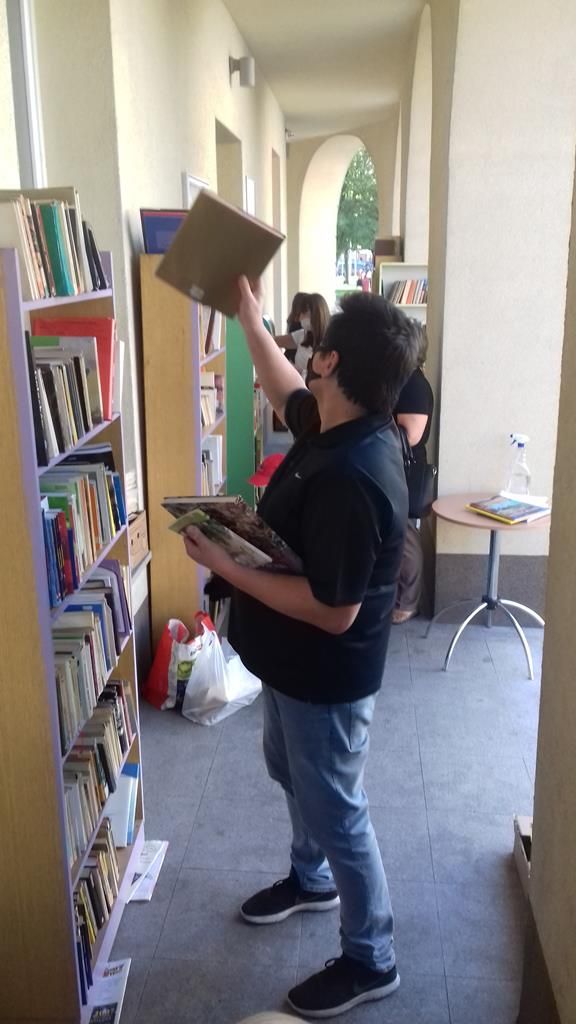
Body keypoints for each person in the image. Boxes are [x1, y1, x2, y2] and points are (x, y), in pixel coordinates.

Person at [182, 278, 419, 1019]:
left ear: (331, 360)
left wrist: (225, 565)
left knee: (338, 807)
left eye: (316, 349)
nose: (306, 356)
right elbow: (285, 386)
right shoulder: (340, 420)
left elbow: (334, 611)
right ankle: (310, 879)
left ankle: (371, 958)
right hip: (291, 665)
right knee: (293, 773)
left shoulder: (355, 472)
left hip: (327, 675)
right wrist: (249, 319)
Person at [392, 324, 434, 623]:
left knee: (405, 534)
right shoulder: (403, 379)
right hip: (396, 467)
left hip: (406, 470)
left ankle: (407, 604)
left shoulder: (415, 385)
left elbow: (411, 436)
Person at [275, 291, 330, 377]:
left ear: (316, 314)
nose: (300, 318)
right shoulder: (302, 335)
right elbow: (273, 341)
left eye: (303, 313)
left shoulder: (330, 343)